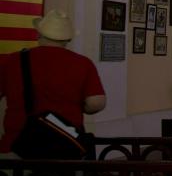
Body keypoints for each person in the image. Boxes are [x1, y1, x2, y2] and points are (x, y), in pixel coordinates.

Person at [0, 9, 106, 154]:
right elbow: (96, 103)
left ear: (39, 34)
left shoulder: (12, 61)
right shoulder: (82, 64)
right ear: (68, 39)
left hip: (17, 144)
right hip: (65, 145)